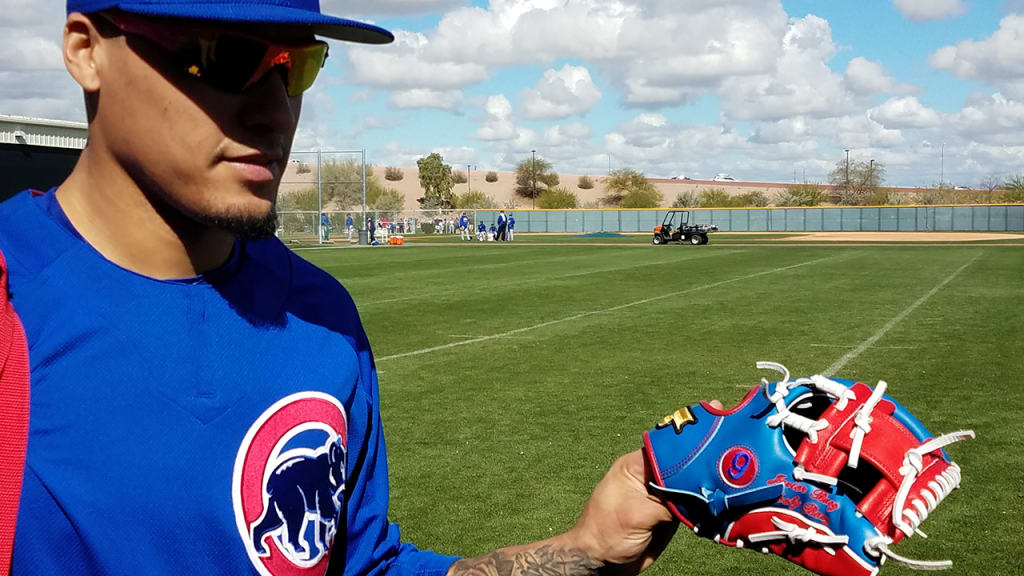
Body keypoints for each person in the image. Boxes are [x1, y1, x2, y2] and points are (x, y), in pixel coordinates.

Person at [0, 2, 685, 573]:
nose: (275, 112)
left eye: (296, 68)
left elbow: (362, 567)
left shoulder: (321, 315)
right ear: (87, 51)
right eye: (224, 56)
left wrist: (586, 550)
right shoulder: (15, 297)